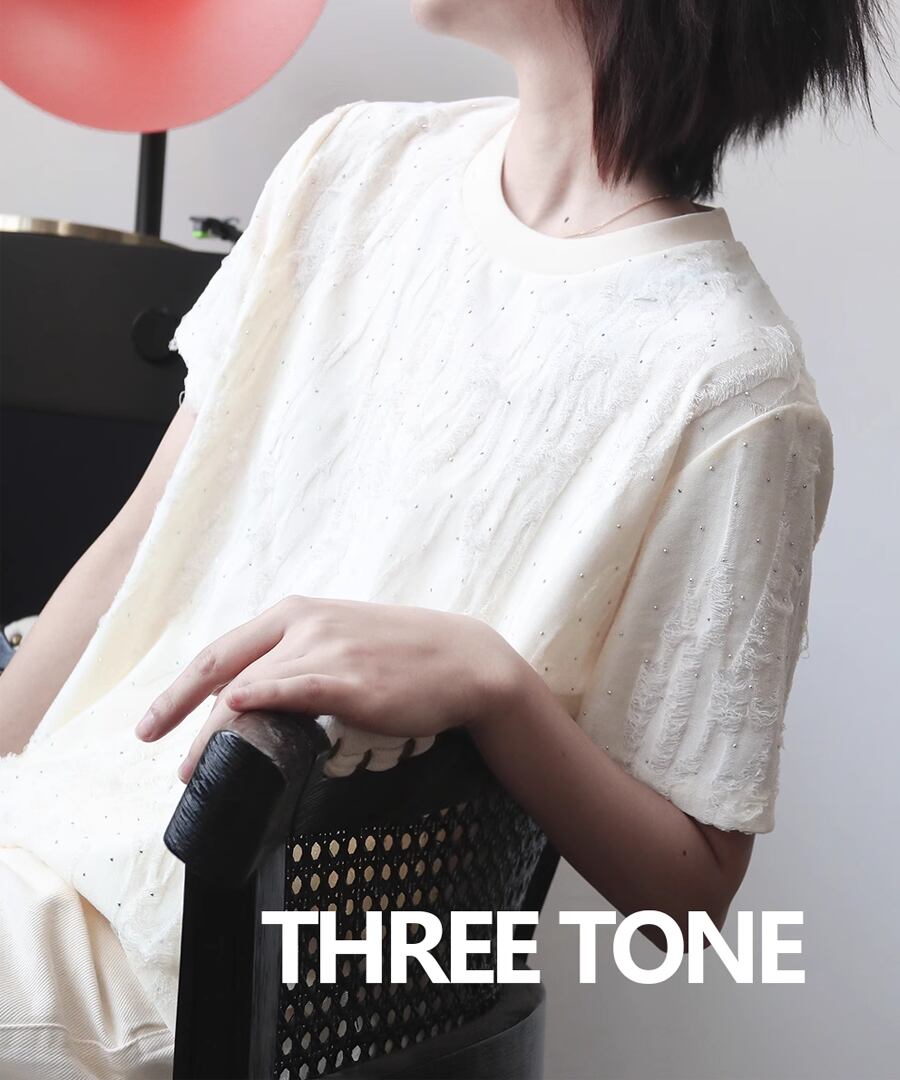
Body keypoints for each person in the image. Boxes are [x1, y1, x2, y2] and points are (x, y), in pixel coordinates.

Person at [0, 1, 889, 1076]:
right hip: (36, 841)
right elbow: (143, 540)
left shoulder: (734, 387)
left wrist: (494, 685)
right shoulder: (350, 162)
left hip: (202, 969)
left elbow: (691, 889)